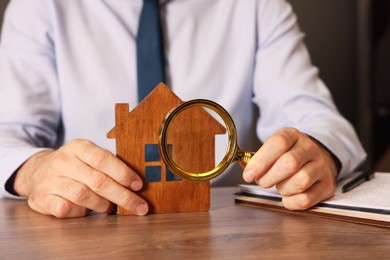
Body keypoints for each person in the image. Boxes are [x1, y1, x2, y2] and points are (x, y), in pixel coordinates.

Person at [0, 0, 366, 218]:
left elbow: (317, 118)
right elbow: (6, 132)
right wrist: (32, 170)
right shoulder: (39, 6)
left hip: (217, 225)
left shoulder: (257, 4)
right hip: (90, 225)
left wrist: (317, 152)